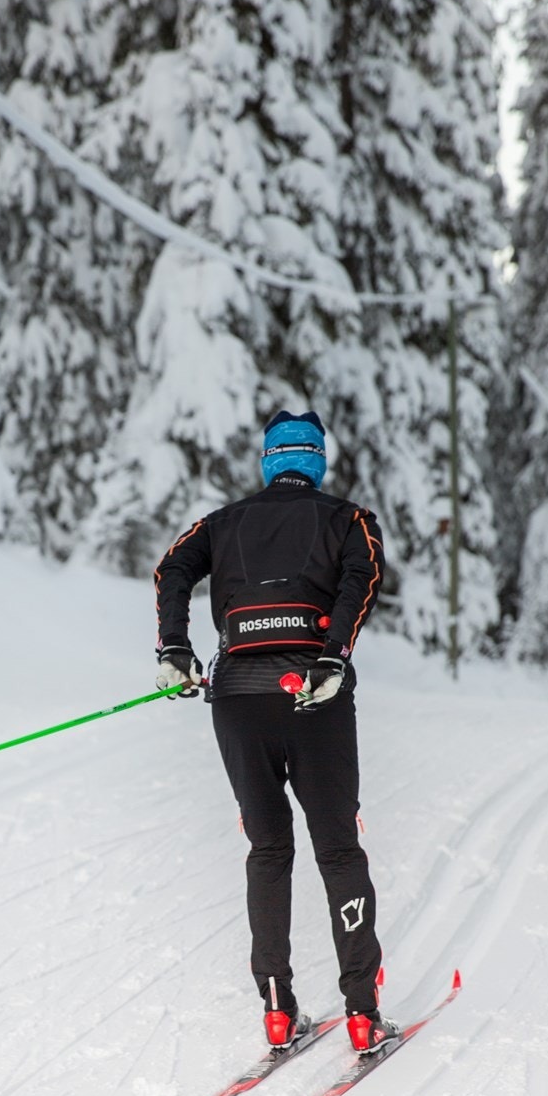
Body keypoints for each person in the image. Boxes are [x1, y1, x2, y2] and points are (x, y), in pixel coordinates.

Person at [153, 408, 397, 1056]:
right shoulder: (348, 519)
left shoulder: (222, 521)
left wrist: (174, 648)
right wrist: (333, 654)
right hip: (312, 690)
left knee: (268, 849)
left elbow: (171, 569)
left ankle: (277, 1011)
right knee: (337, 850)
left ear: (268, 462)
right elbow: (362, 580)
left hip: (236, 694)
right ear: (317, 461)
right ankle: (362, 1014)